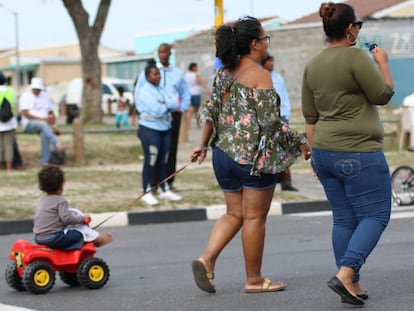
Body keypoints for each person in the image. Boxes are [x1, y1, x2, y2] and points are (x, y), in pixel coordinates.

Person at [190, 16, 311, 294]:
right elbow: (270, 124)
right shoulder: (260, 76)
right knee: (255, 217)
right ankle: (254, 279)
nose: (267, 45)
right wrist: (300, 142)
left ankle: (206, 259)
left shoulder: (223, 74)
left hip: (222, 155)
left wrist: (202, 144)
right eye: (265, 39)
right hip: (251, 160)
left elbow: (209, 111)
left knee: (234, 213)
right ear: (254, 44)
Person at [302, 2, 394, 306]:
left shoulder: (313, 64)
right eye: (358, 26)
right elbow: (382, 95)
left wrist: (316, 156)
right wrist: (382, 62)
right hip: (359, 152)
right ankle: (346, 273)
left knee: (344, 220)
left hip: (325, 151)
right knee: (376, 214)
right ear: (350, 29)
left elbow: (310, 116)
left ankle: (351, 286)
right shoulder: (356, 57)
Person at [136, 44, 191, 191]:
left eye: (165, 52)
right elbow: (138, 91)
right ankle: (153, 183)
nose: (162, 55)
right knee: (154, 152)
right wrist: (142, 110)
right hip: (153, 116)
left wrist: (182, 108)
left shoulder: (177, 73)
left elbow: (185, 92)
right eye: (160, 52)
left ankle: (168, 182)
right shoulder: (149, 72)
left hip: (173, 114)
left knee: (170, 149)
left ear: (170, 53)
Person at [33, 164, 113, 249]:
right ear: (61, 185)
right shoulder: (60, 201)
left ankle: (94, 238)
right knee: (79, 233)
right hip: (54, 238)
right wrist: (83, 219)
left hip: (39, 237)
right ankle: (96, 240)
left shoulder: (42, 200)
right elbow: (66, 219)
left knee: (72, 223)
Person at [136, 63, 183, 205]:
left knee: (164, 160)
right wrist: (166, 104)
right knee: (152, 159)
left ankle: (164, 189)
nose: (158, 77)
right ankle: (147, 190)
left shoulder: (162, 89)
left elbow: (175, 103)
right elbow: (157, 110)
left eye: (158, 74)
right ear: (147, 76)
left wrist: (165, 103)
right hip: (150, 129)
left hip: (165, 128)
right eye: (154, 74)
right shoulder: (144, 91)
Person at [261, 54, 298, 191]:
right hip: (267, 119)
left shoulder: (278, 78)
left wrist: (286, 114)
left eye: (273, 61)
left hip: (281, 117)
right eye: (269, 61)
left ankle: (286, 181)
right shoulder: (259, 77)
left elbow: (284, 96)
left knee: (284, 150)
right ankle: (269, 181)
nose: (272, 64)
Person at [19, 77, 64, 166]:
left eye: (38, 89)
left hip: (45, 125)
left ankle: (45, 161)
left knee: (45, 135)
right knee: (43, 125)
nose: (36, 91)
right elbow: (25, 114)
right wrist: (42, 119)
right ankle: (56, 143)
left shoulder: (46, 96)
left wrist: (54, 126)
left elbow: (50, 113)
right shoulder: (25, 96)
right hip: (29, 124)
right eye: (35, 89)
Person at [0, 72, 18, 172]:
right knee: (8, 145)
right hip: (10, 123)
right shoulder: (10, 91)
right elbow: (15, 104)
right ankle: (8, 168)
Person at [184, 62, 211, 128]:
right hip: (196, 93)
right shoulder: (196, 74)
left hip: (188, 93)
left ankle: (188, 125)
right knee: (197, 110)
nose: (197, 68)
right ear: (193, 68)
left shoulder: (186, 74)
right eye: (196, 67)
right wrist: (208, 89)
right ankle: (198, 124)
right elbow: (201, 83)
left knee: (189, 110)